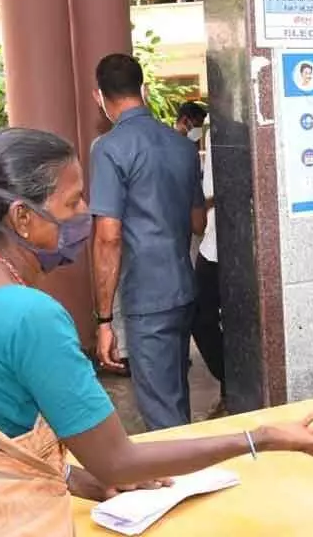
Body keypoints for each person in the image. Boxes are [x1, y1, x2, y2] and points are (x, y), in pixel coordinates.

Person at [0, 128, 313, 535]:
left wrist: (80, 480)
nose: (86, 211)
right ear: (23, 217)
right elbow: (117, 461)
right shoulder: (28, 315)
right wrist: (260, 438)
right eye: (72, 201)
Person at [90, 54, 207, 430]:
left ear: (99, 98)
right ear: (144, 89)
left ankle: (187, 480)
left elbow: (108, 237)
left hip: (146, 295)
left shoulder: (109, 148)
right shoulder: (183, 146)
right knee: (176, 396)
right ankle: (195, 466)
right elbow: (197, 221)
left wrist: (104, 319)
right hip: (183, 288)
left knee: (161, 413)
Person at [174, 101, 226, 416]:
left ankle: (232, 384)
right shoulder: (190, 147)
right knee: (203, 316)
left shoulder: (214, 142)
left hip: (217, 243)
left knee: (203, 316)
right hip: (212, 242)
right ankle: (231, 382)